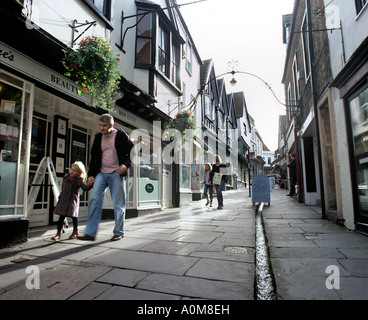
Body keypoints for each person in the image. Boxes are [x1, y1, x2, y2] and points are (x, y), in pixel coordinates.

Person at [78, 114, 134, 241]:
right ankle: (90, 233)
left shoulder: (121, 135)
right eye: (100, 125)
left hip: (116, 174)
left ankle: (118, 232)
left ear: (111, 125)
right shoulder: (98, 137)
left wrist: (125, 165)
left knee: (118, 204)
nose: (102, 128)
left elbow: (133, 153)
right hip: (101, 174)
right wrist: (91, 175)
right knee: (94, 200)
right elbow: (94, 158)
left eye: (104, 126)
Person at [51, 161, 92, 241]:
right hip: (63, 200)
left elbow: (85, 188)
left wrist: (90, 185)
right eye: (71, 169)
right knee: (61, 217)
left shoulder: (79, 180)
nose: (72, 172)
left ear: (79, 173)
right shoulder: (66, 177)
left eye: (75, 171)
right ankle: (58, 234)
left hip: (72, 201)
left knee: (74, 216)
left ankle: (75, 231)